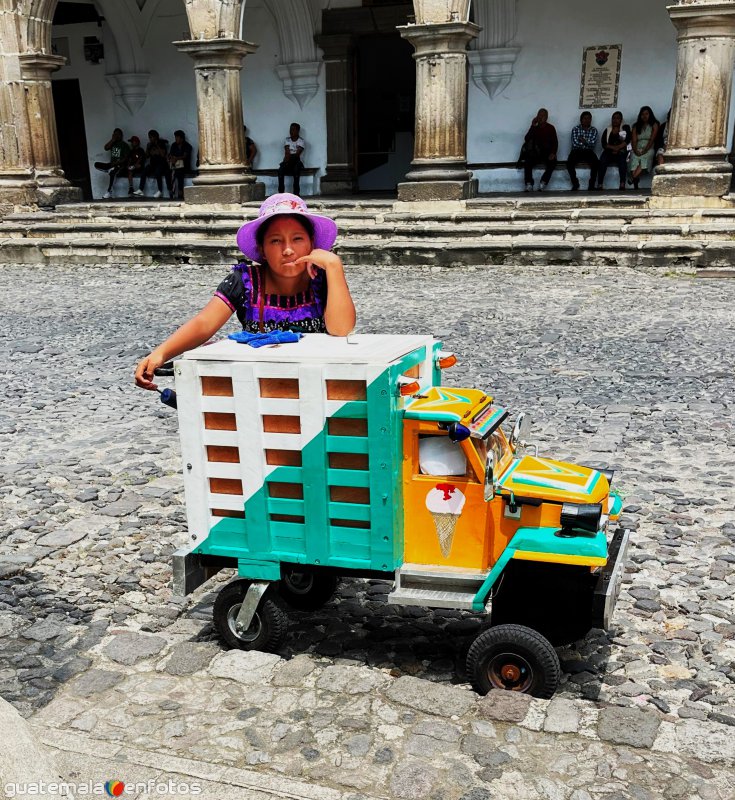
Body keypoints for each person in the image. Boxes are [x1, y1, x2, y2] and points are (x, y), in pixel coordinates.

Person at [134, 193, 356, 390]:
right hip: (259, 386)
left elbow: (342, 329)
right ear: (262, 249)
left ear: (312, 243)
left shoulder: (324, 279)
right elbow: (204, 323)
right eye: (275, 241)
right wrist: (161, 353)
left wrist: (335, 266)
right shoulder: (245, 281)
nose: (288, 250)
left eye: (297, 239)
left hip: (316, 385)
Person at [521, 109, 558, 192]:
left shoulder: (551, 128)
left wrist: (553, 153)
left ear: (546, 117)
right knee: (527, 162)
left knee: (553, 162)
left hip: (547, 153)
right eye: (539, 115)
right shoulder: (535, 128)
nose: (541, 117)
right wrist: (532, 126)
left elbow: (555, 142)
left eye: (543, 116)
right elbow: (527, 139)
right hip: (535, 153)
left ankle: (543, 182)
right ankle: (529, 184)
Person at [597, 111, 632, 190]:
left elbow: (628, 139)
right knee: (602, 161)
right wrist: (614, 148)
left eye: (618, 118)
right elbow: (604, 143)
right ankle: (600, 184)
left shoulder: (625, 128)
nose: (615, 120)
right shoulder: (608, 129)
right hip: (609, 151)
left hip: (621, 151)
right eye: (614, 118)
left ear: (621, 120)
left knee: (623, 162)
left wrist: (618, 148)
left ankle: (622, 183)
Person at [133, 129, 172, 199]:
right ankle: (140, 189)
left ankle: (160, 191)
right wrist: (148, 149)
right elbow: (147, 156)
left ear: (155, 137)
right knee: (144, 171)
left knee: (158, 172)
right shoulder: (149, 145)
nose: (150, 139)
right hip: (153, 164)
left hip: (161, 164)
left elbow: (163, 155)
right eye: (149, 137)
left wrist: (157, 147)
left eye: (151, 137)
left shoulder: (161, 144)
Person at [628, 106, 659, 189]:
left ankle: (633, 177)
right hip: (637, 148)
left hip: (649, 148)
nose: (644, 116)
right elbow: (634, 140)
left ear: (650, 115)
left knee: (645, 157)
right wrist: (635, 150)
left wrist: (645, 150)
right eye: (642, 114)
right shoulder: (636, 126)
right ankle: (635, 178)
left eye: (646, 114)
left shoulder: (654, 125)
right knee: (634, 157)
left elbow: (652, 139)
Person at [566, 111, 598, 191]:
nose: (587, 120)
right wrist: (587, 142)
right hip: (577, 151)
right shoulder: (575, 129)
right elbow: (575, 143)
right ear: (581, 120)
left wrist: (583, 140)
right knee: (569, 163)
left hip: (588, 152)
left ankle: (591, 185)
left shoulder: (594, 130)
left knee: (596, 163)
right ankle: (575, 183)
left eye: (589, 118)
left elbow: (592, 144)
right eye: (585, 118)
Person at [94, 128, 130, 199]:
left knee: (113, 173)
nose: (116, 136)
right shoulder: (113, 143)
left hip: (120, 166)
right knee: (96, 164)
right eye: (114, 134)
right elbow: (106, 148)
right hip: (112, 164)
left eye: (117, 134)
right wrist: (112, 140)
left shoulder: (124, 145)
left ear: (121, 135)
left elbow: (126, 158)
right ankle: (109, 169)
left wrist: (117, 163)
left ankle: (108, 192)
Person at [277, 123, 305, 196]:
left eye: (293, 129)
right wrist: (285, 162)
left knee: (296, 172)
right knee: (280, 171)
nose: (291, 131)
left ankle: (296, 194)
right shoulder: (287, 140)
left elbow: (297, 154)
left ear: (298, 131)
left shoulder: (301, 141)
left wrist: (288, 158)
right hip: (287, 160)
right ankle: (281, 193)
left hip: (296, 161)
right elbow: (287, 152)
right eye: (290, 129)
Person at [168, 130, 193, 201]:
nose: (176, 139)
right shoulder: (173, 145)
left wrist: (177, 158)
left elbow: (184, 156)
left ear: (182, 138)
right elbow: (171, 155)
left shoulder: (187, 146)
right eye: (175, 137)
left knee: (180, 172)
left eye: (177, 137)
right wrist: (171, 159)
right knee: (168, 172)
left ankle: (180, 191)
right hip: (175, 165)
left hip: (185, 166)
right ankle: (170, 190)